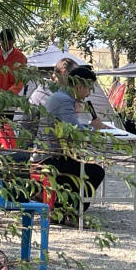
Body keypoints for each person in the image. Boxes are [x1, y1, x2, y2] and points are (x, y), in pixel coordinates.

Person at [34, 67, 108, 218]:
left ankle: (64, 209)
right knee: (96, 172)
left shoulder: (61, 96)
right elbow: (76, 133)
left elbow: (71, 127)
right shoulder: (64, 100)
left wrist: (90, 126)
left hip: (50, 154)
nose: (89, 94)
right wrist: (93, 127)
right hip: (50, 158)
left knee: (80, 163)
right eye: (89, 89)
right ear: (79, 87)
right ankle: (69, 213)